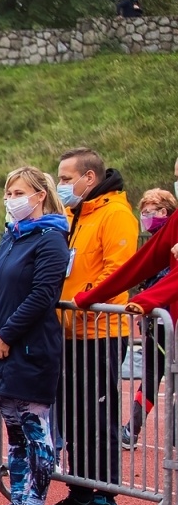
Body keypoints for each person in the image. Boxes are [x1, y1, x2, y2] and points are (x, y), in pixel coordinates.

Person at [0, 167, 70, 505]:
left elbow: (43, 295)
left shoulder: (51, 239)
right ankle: (17, 500)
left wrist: (8, 334)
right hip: (1, 348)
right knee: (14, 432)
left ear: (39, 195)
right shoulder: (11, 236)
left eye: (18, 192)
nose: (11, 199)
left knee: (35, 429)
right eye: (8, 192)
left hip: (31, 349)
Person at [50, 148, 138, 505]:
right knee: (71, 414)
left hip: (100, 331)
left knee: (97, 415)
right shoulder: (73, 215)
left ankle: (106, 498)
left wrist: (80, 302)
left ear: (90, 177)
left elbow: (117, 272)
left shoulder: (116, 214)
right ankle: (80, 490)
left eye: (67, 179)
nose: (61, 185)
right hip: (68, 330)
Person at [77, 180, 178, 448]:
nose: (147, 216)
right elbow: (138, 266)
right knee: (151, 374)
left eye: (154, 210)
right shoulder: (172, 226)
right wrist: (92, 296)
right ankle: (132, 429)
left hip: (162, 315)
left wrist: (147, 299)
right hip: (161, 322)